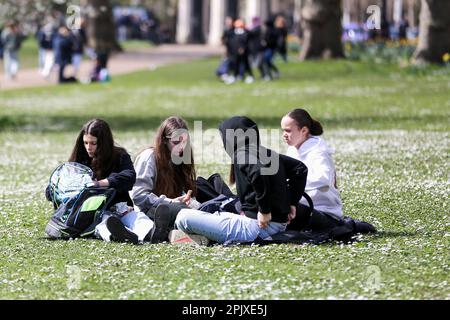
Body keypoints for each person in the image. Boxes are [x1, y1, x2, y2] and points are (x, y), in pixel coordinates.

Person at [175, 116, 308, 244]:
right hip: (277, 226)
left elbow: (258, 172)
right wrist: (292, 203)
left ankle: (198, 237)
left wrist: (264, 211)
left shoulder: (241, 153)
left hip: (256, 228)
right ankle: (203, 236)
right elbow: (300, 169)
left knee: (183, 217)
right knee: (217, 213)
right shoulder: (265, 153)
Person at [68, 118, 153, 244]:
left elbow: (129, 177)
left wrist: (100, 183)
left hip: (120, 207)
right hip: (95, 212)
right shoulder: (80, 161)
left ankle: (152, 232)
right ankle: (117, 235)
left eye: (93, 143)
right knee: (103, 224)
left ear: (103, 143)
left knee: (138, 218)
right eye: (85, 143)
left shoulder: (119, 156)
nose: (88, 147)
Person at [130, 116, 201, 243]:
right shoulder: (149, 157)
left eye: (184, 142)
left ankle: (175, 232)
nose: (181, 147)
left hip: (172, 207)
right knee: (193, 215)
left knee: (200, 209)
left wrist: (187, 199)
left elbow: (182, 191)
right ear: (164, 140)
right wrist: (170, 202)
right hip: (150, 212)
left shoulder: (179, 158)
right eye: (176, 142)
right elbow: (139, 196)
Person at [281, 108, 344, 230]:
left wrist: (293, 188)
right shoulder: (293, 149)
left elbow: (323, 179)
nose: (284, 134)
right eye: (283, 130)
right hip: (302, 205)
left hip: (324, 212)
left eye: (288, 130)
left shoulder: (319, 151)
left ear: (304, 130)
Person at [225, 19, 254, 84]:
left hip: (244, 52)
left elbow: (247, 40)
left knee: (246, 64)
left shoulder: (245, 32)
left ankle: (250, 76)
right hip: (234, 51)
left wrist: (243, 48)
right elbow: (229, 41)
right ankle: (235, 76)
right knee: (236, 64)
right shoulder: (232, 32)